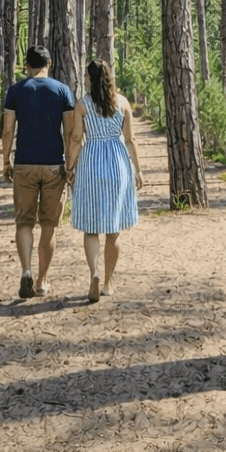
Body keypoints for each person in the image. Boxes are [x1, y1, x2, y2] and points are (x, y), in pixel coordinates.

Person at [1, 45, 76, 299]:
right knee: (48, 226)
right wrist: (69, 165)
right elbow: (69, 132)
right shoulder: (62, 90)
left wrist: (5, 161)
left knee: (24, 223)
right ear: (50, 63)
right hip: (54, 165)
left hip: (24, 164)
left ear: (26, 64)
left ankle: (25, 271)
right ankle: (42, 282)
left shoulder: (16, 90)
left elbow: (8, 130)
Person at [65, 59, 143, 303]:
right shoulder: (122, 103)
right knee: (113, 229)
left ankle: (94, 273)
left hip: (91, 162)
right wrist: (138, 170)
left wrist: (70, 166)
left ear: (89, 79)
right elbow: (130, 140)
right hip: (118, 162)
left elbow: (77, 139)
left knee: (91, 226)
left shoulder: (83, 105)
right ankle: (108, 282)